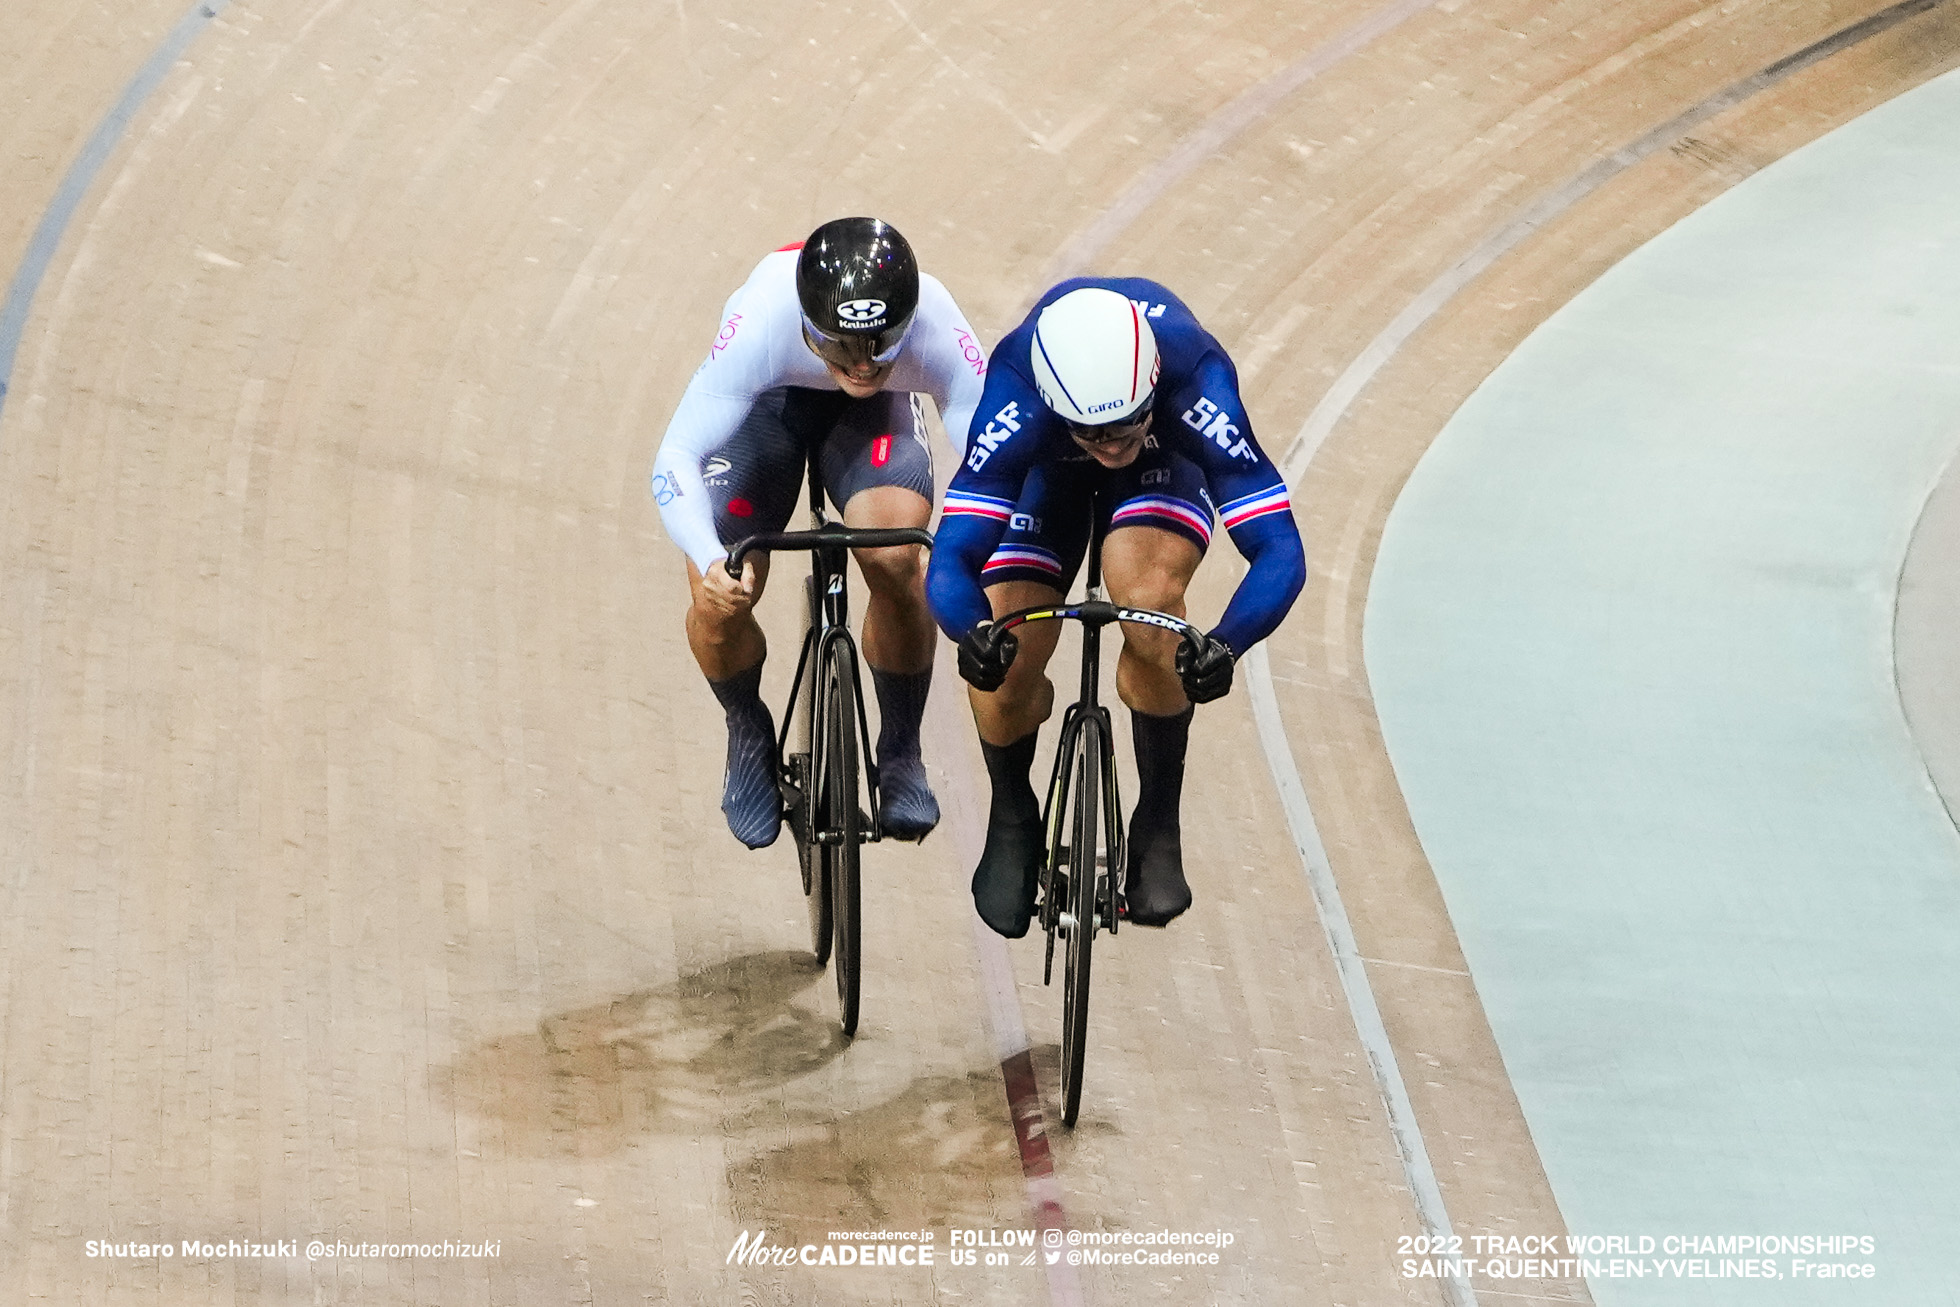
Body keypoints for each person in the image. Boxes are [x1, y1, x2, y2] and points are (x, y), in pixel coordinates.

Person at [925, 280, 1305, 936]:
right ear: (1050, 401)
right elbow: (952, 560)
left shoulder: (1196, 382)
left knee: (1152, 606)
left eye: (1127, 420)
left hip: (1167, 460)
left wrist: (1225, 641)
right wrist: (973, 632)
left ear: (1152, 385)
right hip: (1048, 469)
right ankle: (1014, 810)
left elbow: (1280, 550)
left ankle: (1157, 819)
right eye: (1095, 431)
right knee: (1005, 656)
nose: (1112, 442)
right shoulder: (1015, 401)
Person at [652, 217, 987, 849]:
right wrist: (708, 554)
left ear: (908, 322)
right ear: (806, 323)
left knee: (896, 557)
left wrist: (967, 549)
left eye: (880, 343)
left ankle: (899, 748)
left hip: (872, 422)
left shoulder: (936, 321)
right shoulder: (761, 322)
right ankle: (747, 727)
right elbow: (675, 458)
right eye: (839, 345)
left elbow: (991, 459)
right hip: (769, 404)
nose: (861, 364)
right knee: (716, 587)